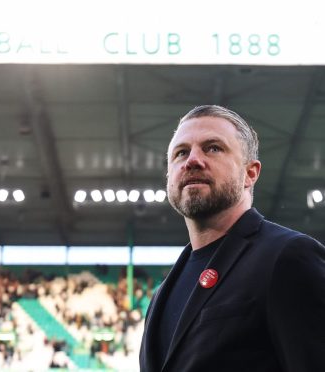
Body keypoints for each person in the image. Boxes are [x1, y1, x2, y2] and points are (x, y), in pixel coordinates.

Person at [139, 105, 325, 372]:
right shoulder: (162, 294)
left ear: (250, 173)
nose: (193, 159)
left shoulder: (288, 257)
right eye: (181, 152)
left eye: (213, 148)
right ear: (169, 176)